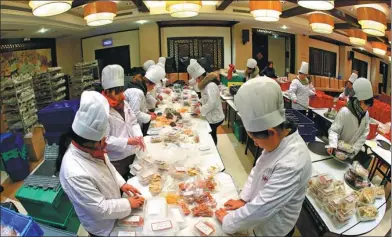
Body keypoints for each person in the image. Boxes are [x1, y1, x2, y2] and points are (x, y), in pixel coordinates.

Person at [214, 77, 312, 237]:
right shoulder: (278, 139)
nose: (256, 144)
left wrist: (229, 221)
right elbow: (258, 169)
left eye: (255, 139)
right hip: (255, 216)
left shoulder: (293, 161)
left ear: (271, 132)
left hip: (274, 229)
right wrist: (244, 199)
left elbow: (263, 207)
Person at [59, 91, 144, 237]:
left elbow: (108, 166)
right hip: (102, 227)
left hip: (115, 208)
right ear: (86, 146)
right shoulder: (73, 173)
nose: (105, 150)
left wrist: (121, 184)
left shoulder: (93, 149)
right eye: (102, 146)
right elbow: (99, 209)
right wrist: (128, 203)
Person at [101, 65, 145, 180]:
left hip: (132, 152)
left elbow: (134, 122)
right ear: (107, 91)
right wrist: (127, 141)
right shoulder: (102, 109)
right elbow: (104, 140)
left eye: (121, 90)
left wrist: (139, 136)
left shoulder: (123, 102)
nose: (122, 96)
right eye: (117, 92)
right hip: (117, 160)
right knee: (120, 185)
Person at [327, 78, 373, 166]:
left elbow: (365, 133)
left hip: (350, 155)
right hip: (336, 150)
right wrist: (332, 144)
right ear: (360, 101)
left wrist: (354, 149)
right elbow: (334, 130)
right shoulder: (345, 111)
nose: (367, 108)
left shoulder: (365, 114)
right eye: (366, 105)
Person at [187, 62, 224, 145]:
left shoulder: (210, 85)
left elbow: (212, 103)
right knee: (211, 133)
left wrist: (199, 109)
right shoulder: (205, 84)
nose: (196, 81)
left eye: (196, 79)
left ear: (200, 76)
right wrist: (199, 102)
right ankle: (213, 147)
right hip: (210, 114)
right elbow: (205, 98)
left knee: (211, 134)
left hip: (215, 116)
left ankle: (213, 150)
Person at [124, 65, 165, 136]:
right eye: (153, 85)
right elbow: (134, 113)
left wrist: (148, 112)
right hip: (130, 128)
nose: (153, 88)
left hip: (136, 125)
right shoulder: (136, 92)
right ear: (148, 84)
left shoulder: (140, 89)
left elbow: (140, 106)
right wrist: (149, 117)